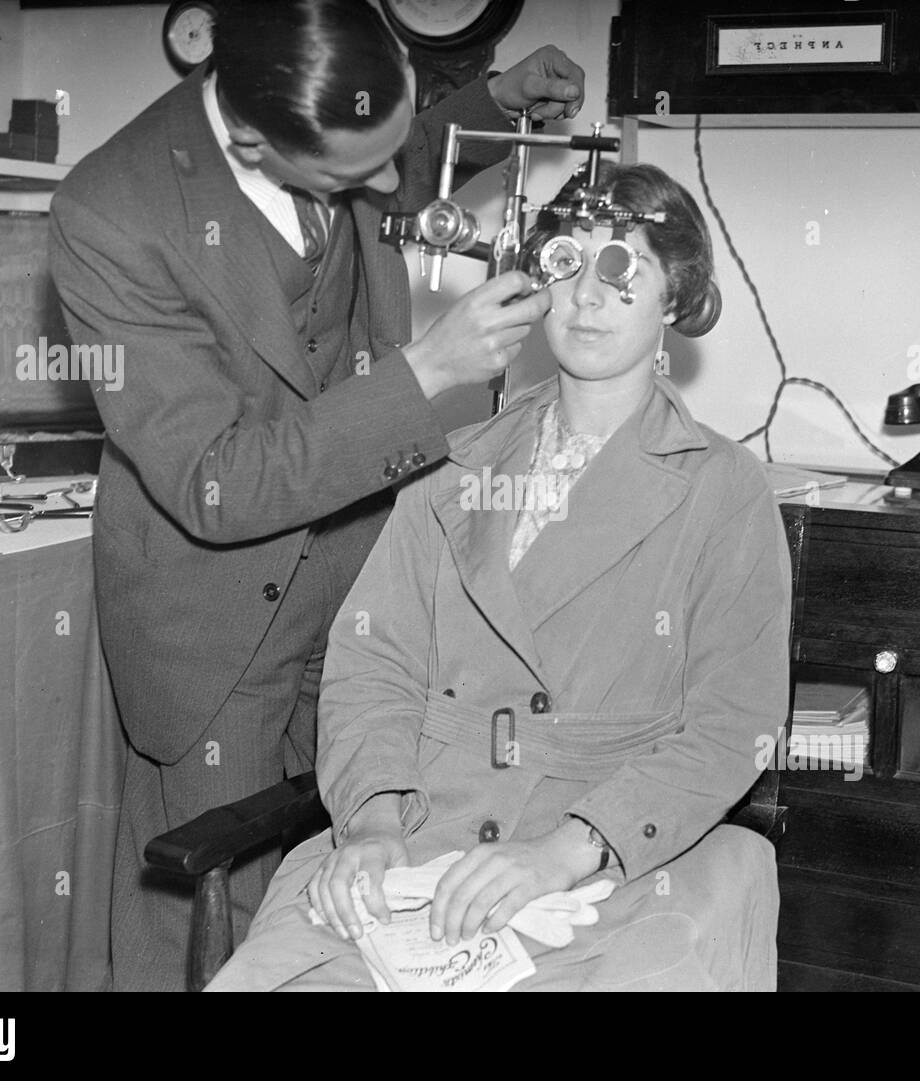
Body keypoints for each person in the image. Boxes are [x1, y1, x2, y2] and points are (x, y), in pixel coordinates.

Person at [47, 0, 586, 991]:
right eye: (351, 178)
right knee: (214, 910)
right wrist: (425, 374)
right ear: (251, 138)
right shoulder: (108, 212)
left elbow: (394, 148)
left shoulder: (325, 116)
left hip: (357, 586)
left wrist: (492, 98)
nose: (386, 190)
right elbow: (218, 481)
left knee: (360, 892)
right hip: (214, 616)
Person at [206, 162, 793, 992]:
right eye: (565, 261)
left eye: (623, 268)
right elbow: (376, 663)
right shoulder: (454, 464)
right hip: (419, 836)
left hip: (604, 860)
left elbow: (733, 725)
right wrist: (373, 821)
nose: (588, 294)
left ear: (674, 298)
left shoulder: (722, 488)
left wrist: (563, 851)